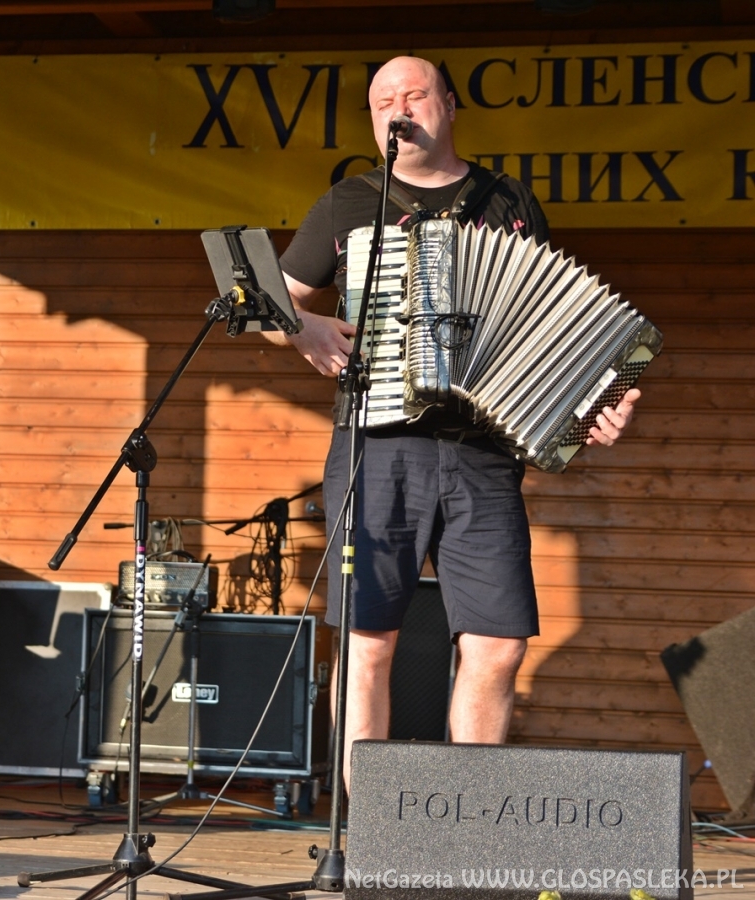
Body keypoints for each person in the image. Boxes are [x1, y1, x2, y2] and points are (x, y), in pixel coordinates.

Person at [266, 56, 640, 788]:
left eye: (414, 95)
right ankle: (371, 825)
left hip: (483, 452)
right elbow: (270, 300)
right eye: (383, 101)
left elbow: (545, 319)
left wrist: (596, 400)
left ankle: (468, 824)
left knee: (498, 644)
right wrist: (304, 329)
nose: (398, 109)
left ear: (448, 105)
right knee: (370, 642)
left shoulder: (508, 200)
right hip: (380, 448)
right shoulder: (349, 203)